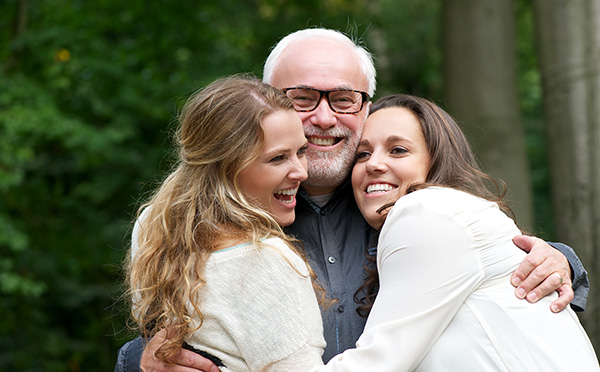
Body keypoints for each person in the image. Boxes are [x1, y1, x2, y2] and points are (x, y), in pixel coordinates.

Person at [115, 28, 589, 372]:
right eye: (301, 97)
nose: (323, 117)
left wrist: (560, 260)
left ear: (367, 108)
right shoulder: (198, 222)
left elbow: (477, 260)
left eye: (343, 98)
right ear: (267, 104)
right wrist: (141, 360)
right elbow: (173, 324)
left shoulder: (394, 200)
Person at [309, 94, 599, 371]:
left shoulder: (424, 210)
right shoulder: (447, 214)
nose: (373, 164)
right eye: (362, 154)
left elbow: (379, 362)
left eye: (398, 150)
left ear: (436, 160)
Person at [125, 75, 328, 371]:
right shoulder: (266, 259)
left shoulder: (154, 224)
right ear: (225, 167)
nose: (301, 172)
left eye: (301, 152)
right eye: (277, 159)